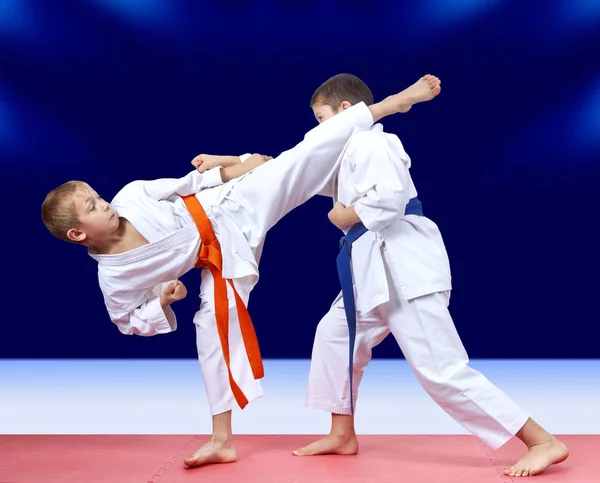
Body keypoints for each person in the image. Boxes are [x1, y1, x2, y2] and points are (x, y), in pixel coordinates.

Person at [40, 75, 442, 469]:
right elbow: (127, 319)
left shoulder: (130, 196)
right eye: (92, 208)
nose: (105, 204)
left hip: (231, 204)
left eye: (97, 197)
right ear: (77, 234)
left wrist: (235, 167)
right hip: (221, 257)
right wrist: (161, 299)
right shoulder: (114, 276)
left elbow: (192, 182)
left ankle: (392, 102)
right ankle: (221, 440)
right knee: (211, 330)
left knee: (301, 156)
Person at [292, 74, 568, 478]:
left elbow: (387, 200)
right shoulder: (347, 152)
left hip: (404, 269)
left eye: (321, 118)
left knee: (441, 370)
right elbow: (302, 174)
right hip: (372, 273)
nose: (318, 127)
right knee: (335, 337)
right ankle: (342, 433)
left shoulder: (372, 141)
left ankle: (542, 441)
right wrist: (237, 166)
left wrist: (342, 216)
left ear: (346, 110)